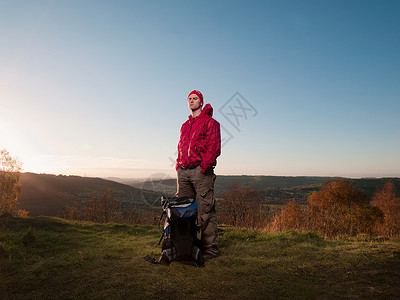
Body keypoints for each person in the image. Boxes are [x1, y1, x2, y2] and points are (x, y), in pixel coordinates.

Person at [175, 90, 221, 259]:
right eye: (189, 99)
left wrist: (204, 167)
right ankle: (187, 245)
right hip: (184, 172)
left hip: (201, 172)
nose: (192, 101)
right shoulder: (185, 125)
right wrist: (178, 165)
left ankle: (210, 249)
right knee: (184, 212)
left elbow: (214, 148)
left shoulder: (211, 123)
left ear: (201, 102)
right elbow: (181, 146)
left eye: (195, 98)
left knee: (206, 211)